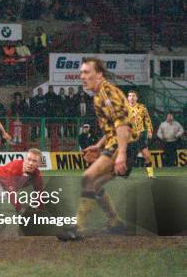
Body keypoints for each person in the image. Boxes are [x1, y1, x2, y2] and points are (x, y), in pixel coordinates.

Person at [57, 57, 138, 241]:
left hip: (124, 144)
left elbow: (123, 125)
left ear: (99, 74)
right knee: (95, 184)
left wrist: (122, 155)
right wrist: (99, 145)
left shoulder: (107, 93)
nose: (82, 76)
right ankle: (116, 223)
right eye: (81, 73)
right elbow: (112, 126)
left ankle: (77, 228)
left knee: (88, 178)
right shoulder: (99, 95)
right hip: (116, 143)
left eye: (86, 72)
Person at [126, 90, 155, 178]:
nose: (131, 97)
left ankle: (150, 174)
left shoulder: (142, 107)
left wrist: (149, 130)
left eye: (133, 96)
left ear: (137, 98)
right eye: (130, 96)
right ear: (128, 98)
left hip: (140, 134)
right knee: (128, 157)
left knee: (147, 155)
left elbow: (147, 120)